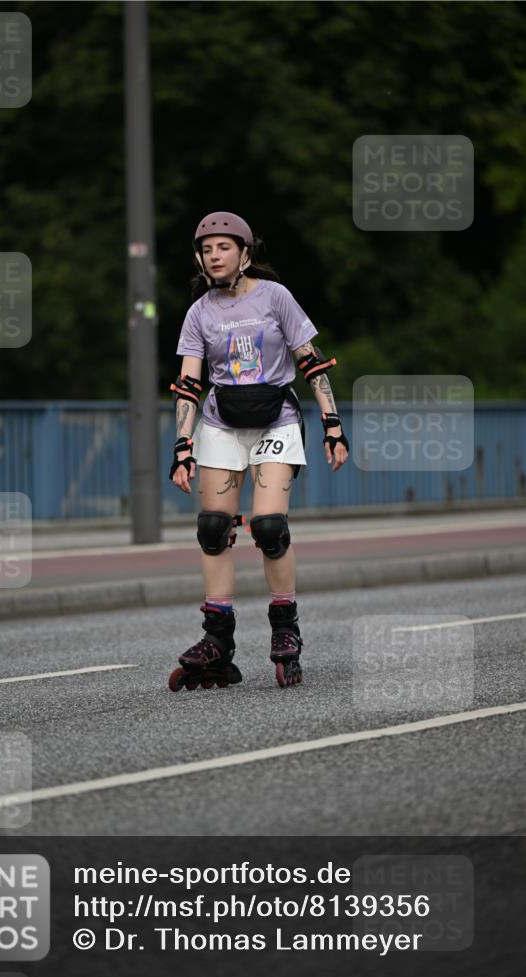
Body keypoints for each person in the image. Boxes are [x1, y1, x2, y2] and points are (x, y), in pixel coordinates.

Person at [168, 211, 349, 692]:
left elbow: (311, 362)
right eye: (207, 250)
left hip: (276, 419)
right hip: (221, 422)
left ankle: (285, 627)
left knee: (268, 526)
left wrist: (332, 425)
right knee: (213, 527)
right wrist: (183, 446)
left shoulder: (275, 297)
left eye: (224, 247)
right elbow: (188, 384)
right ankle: (217, 638)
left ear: (245, 254)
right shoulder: (199, 312)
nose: (215, 256)